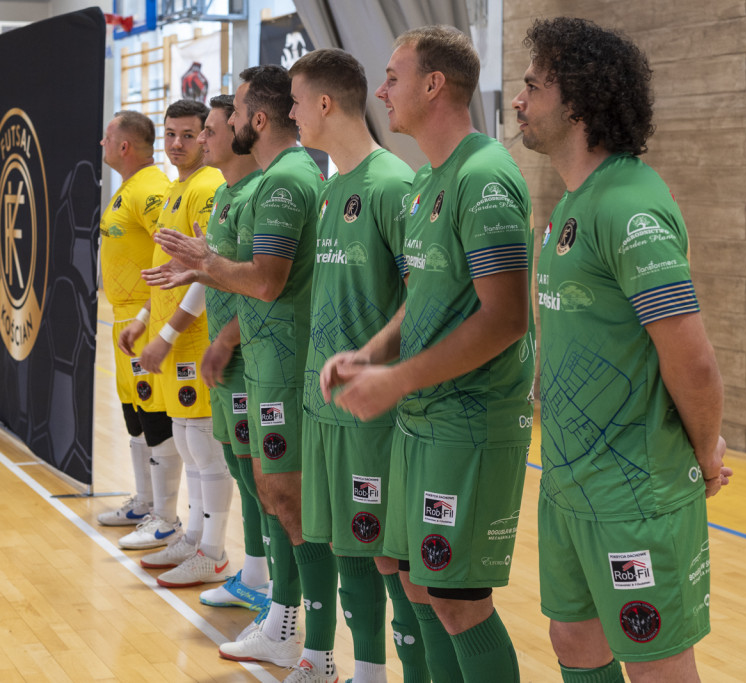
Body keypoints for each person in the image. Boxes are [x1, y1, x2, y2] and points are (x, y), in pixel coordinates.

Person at [512, 17, 732, 683]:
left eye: (532, 85)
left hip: (637, 490)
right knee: (574, 636)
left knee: (658, 664)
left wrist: (706, 446)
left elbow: (690, 357)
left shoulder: (631, 206)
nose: (518, 99)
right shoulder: (572, 207)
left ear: (575, 100)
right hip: (569, 482)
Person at [320, 26, 533, 682]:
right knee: (417, 585)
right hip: (422, 416)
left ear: (433, 84)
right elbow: (423, 295)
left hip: (470, 423)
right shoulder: (425, 184)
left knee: (459, 600)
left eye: (392, 76)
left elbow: (505, 317)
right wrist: (371, 353)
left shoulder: (486, 175)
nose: (381, 90)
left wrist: (396, 378)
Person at [146, 65, 325, 670]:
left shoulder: (283, 182)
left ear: (255, 118)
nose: (196, 139)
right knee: (268, 491)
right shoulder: (249, 186)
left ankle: (305, 634)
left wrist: (203, 274)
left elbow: (268, 282)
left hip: (279, 363)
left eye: (227, 115)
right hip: (256, 358)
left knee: (289, 500)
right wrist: (200, 271)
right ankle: (279, 612)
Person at [287, 47, 430, 683]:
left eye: (295, 102)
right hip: (325, 405)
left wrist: (381, 372)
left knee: (387, 555)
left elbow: (423, 300)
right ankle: (359, 670)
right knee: (347, 546)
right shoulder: (332, 188)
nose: (291, 114)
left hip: (374, 413)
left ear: (323, 103)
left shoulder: (393, 185)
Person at [119, 99, 233, 588]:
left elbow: (207, 271)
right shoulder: (176, 188)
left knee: (204, 449)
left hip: (194, 339)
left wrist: (165, 336)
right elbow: (169, 268)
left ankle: (213, 550)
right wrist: (147, 318)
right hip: (171, 337)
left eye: (190, 134)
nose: (178, 144)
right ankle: (191, 536)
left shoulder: (207, 186)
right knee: (188, 444)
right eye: (171, 134)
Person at [190, 94, 273, 612]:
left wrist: (227, 339)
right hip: (227, 357)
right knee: (243, 471)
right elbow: (219, 273)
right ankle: (256, 572)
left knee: (263, 476)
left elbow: (270, 285)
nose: (201, 138)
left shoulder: (259, 194)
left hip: (251, 359)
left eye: (212, 128)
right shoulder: (225, 196)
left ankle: (271, 589)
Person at [95, 111, 177, 536]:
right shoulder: (127, 189)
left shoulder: (151, 191)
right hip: (123, 321)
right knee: (134, 414)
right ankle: (144, 502)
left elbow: (173, 253)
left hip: (145, 319)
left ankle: (164, 518)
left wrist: (152, 313)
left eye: (107, 138)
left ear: (124, 146)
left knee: (155, 415)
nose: (102, 144)